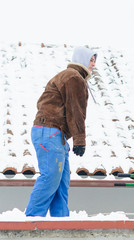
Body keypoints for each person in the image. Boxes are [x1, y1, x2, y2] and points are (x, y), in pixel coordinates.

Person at [25, 46, 97, 217]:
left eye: (95, 60)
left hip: (56, 134)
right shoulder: (73, 77)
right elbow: (75, 110)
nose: (93, 64)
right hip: (49, 130)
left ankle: (61, 222)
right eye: (91, 59)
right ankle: (31, 221)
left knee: (61, 183)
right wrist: (80, 140)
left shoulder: (74, 77)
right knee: (50, 177)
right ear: (81, 59)